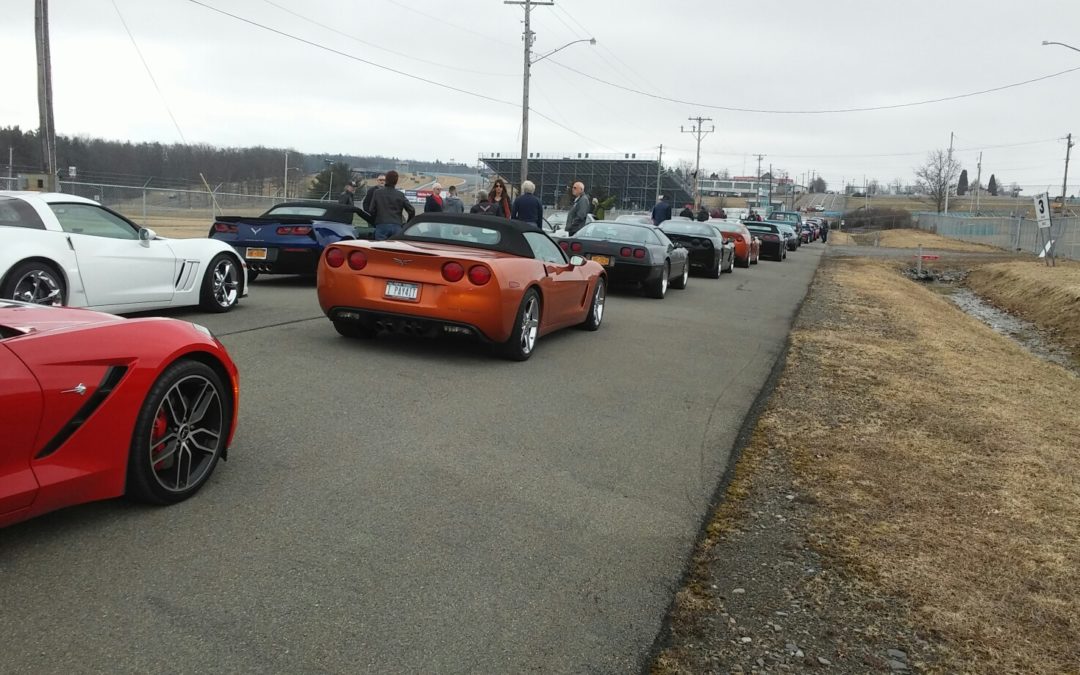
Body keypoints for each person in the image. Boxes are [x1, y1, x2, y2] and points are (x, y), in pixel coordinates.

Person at [368, 170, 414, 240]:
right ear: (396, 181)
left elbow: (371, 210)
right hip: (397, 226)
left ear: (386, 180)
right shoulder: (400, 195)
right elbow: (412, 210)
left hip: (381, 225)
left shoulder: (377, 193)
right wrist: (407, 224)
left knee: (380, 249)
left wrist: (377, 220)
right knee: (394, 250)